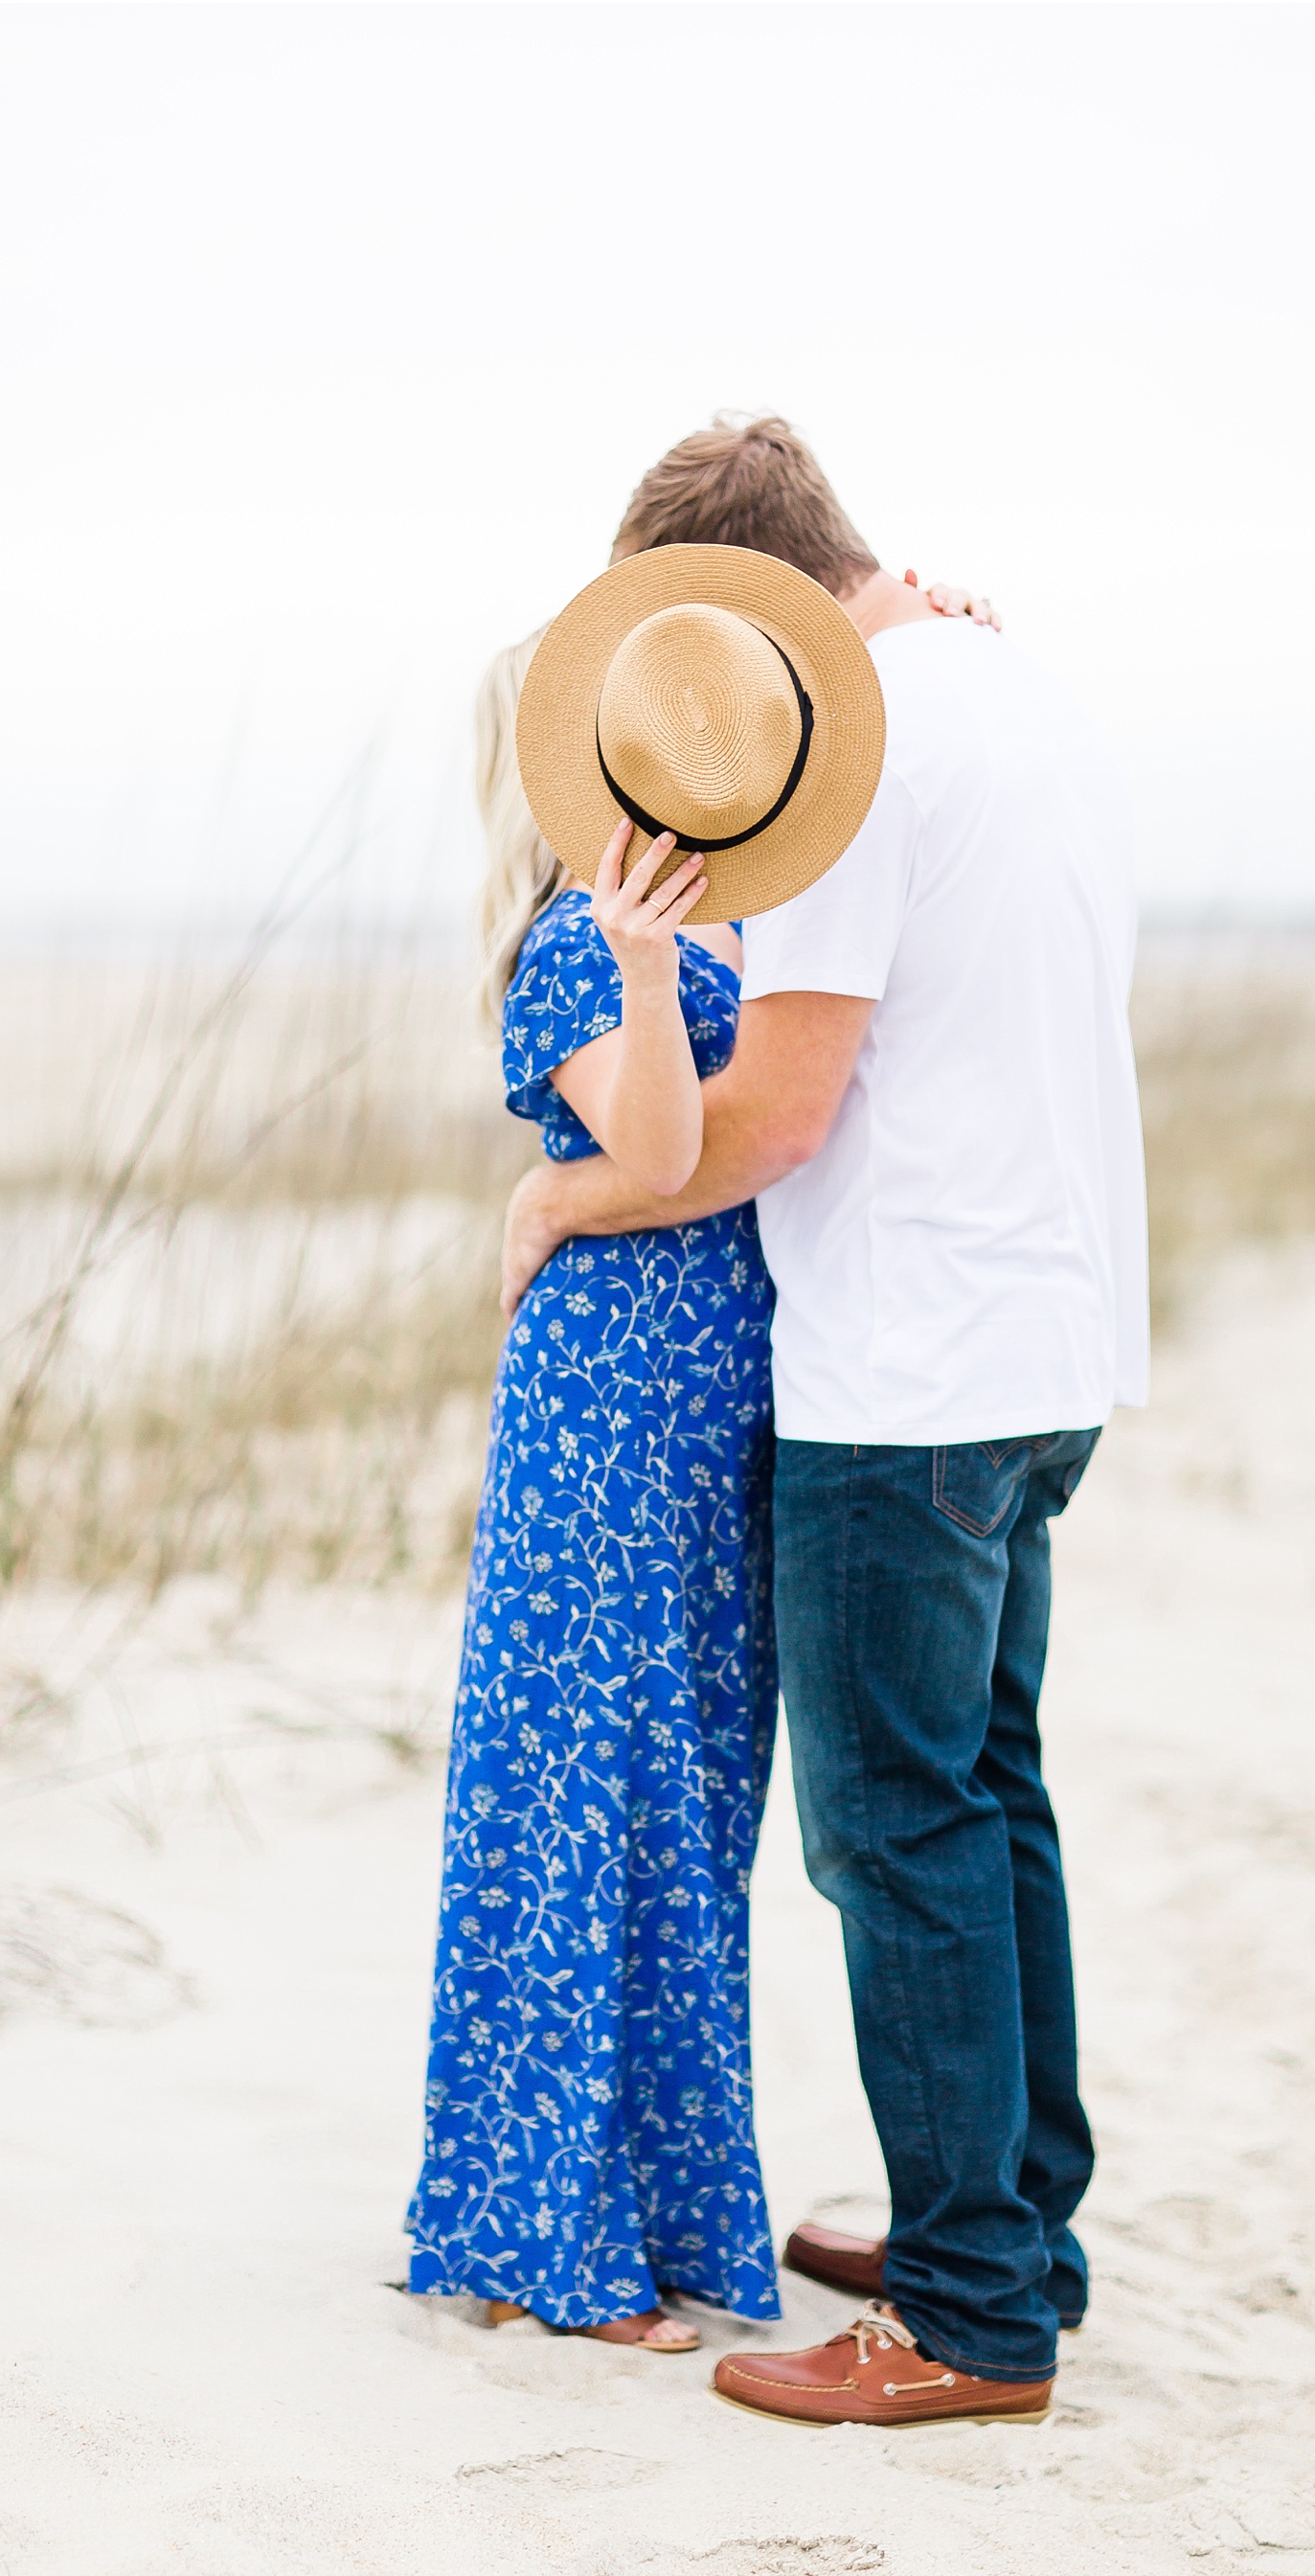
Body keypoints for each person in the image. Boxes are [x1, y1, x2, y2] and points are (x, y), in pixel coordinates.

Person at [499, 416, 1149, 2427]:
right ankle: (1009, 2218)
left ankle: (964, 2310)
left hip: (910, 1368)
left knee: (896, 1826)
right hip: (1049, 1339)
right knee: (990, 1783)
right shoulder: (1012, 688)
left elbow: (775, 1115)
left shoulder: (862, 750)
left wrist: (566, 1193)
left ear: (756, 615)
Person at [408, 554, 993, 2356]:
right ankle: (553, 2244)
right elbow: (664, 1151)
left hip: (715, 1421)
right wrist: (650, 966)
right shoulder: (579, 948)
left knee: (685, 1806)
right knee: (588, 1796)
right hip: (606, 1420)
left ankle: (647, 2216)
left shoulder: (761, 928)